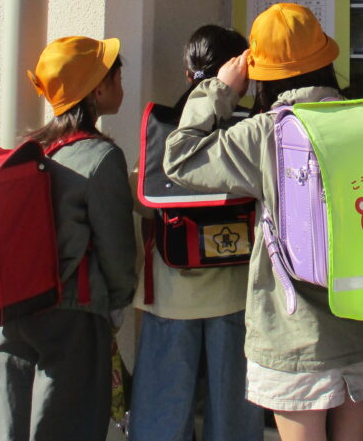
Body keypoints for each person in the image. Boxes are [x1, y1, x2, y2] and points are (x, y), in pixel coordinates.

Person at [164, 3, 363, 441]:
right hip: (361, 321)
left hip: (292, 331)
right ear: (326, 58)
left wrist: (218, 90)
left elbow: (180, 157)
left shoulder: (264, 133)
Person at [0, 36, 137, 441]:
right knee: (68, 426)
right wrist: (118, 303)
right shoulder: (101, 158)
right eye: (116, 77)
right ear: (97, 90)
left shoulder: (32, 149)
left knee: (15, 422)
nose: (121, 85)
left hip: (18, 310)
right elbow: (117, 249)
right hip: (73, 315)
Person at [129, 25, 263, 441]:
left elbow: (142, 198)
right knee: (234, 417)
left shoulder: (162, 126)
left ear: (189, 73)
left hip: (171, 291)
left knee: (161, 417)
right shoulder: (250, 126)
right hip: (235, 293)